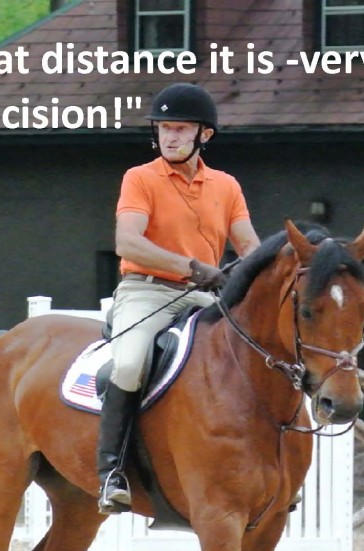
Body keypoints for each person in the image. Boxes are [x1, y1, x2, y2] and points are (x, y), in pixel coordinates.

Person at [97, 83, 261, 515]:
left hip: (203, 296)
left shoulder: (226, 186)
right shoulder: (140, 178)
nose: (169, 137)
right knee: (129, 364)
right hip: (147, 291)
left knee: (256, 354)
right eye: (164, 128)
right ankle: (112, 470)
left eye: (180, 129)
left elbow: (249, 246)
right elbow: (128, 242)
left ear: (204, 135)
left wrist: (255, 272)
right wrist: (192, 266)